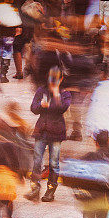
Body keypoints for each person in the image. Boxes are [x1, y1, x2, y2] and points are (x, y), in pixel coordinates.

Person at [26, 66, 70, 203]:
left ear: (61, 79)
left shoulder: (64, 93)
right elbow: (33, 108)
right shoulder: (41, 90)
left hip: (56, 132)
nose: (53, 83)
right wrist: (41, 106)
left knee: (53, 163)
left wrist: (56, 95)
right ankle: (35, 189)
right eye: (51, 79)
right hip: (42, 130)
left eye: (56, 80)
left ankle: (51, 190)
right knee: (37, 160)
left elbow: (62, 108)